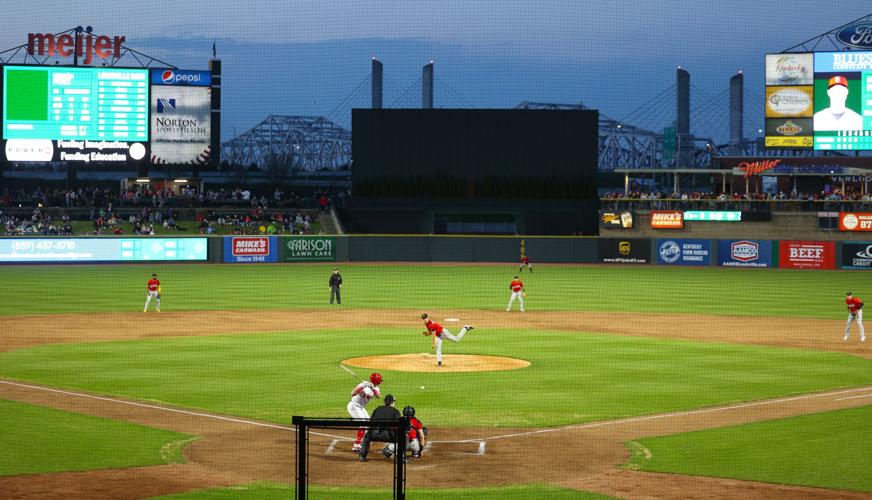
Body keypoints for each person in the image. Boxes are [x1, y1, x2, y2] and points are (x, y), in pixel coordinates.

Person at [358, 394, 401, 462]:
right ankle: (399, 457)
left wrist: (370, 433)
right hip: (388, 436)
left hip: (374, 434)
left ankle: (362, 456)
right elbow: (397, 425)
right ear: (392, 402)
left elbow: (371, 422)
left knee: (366, 437)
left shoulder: (377, 409)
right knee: (401, 439)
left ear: (385, 402)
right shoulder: (396, 411)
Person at [347, 372, 382, 452]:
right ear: (376, 381)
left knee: (369, 422)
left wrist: (372, 387)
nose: (380, 383)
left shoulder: (376, 388)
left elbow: (378, 396)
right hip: (353, 406)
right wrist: (363, 386)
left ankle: (366, 439)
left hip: (361, 408)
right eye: (379, 381)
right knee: (363, 423)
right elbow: (353, 393)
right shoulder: (362, 385)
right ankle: (356, 445)